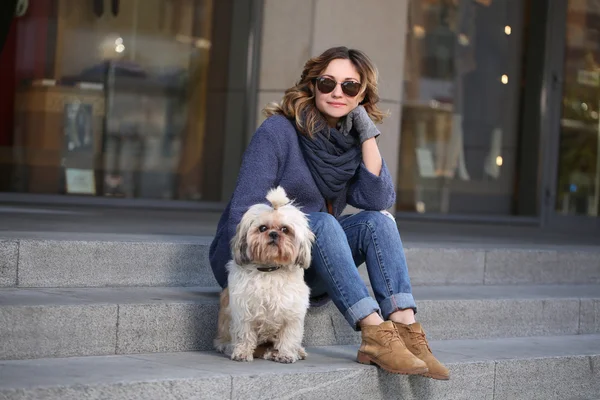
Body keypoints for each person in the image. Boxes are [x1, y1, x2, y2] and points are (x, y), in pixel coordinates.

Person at [209, 46, 449, 379]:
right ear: (312, 85)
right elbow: (243, 209)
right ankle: (374, 332)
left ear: (362, 94)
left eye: (351, 86)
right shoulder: (278, 132)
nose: (338, 92)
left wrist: (366, 133)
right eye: (327, 83)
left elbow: (377, 197)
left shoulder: (349, 141)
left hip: (308, 264)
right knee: (320, 221)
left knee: (377, 222)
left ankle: (408, 332)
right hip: (257, 263)